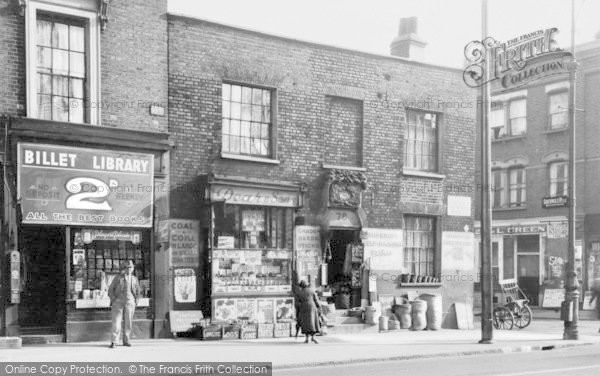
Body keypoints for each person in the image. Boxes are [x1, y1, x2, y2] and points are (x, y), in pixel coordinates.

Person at [108, 260, 140, 348]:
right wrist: (114, 300)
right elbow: (110, 290)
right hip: (118, 302)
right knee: (116, 322)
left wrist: (136, 300)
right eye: (127, 267)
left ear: (133, 269)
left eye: (130, 267)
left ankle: (127, 340)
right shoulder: (118, 278)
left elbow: (137, 291)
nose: (129, 269)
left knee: (128, 322)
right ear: (124, 268)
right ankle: (114, 341)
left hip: (130, 302)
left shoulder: (134, 279)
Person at [294, 280, 321, 344]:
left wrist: (297, 312)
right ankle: (313, 337)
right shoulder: (312, 291)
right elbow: (316, 300)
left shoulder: (299, 293)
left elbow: (297, 304)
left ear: (301, 286)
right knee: (313, 323)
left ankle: (307, 338)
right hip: (312, 308)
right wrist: (319, 308)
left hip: (303, 309)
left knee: (305, 324)